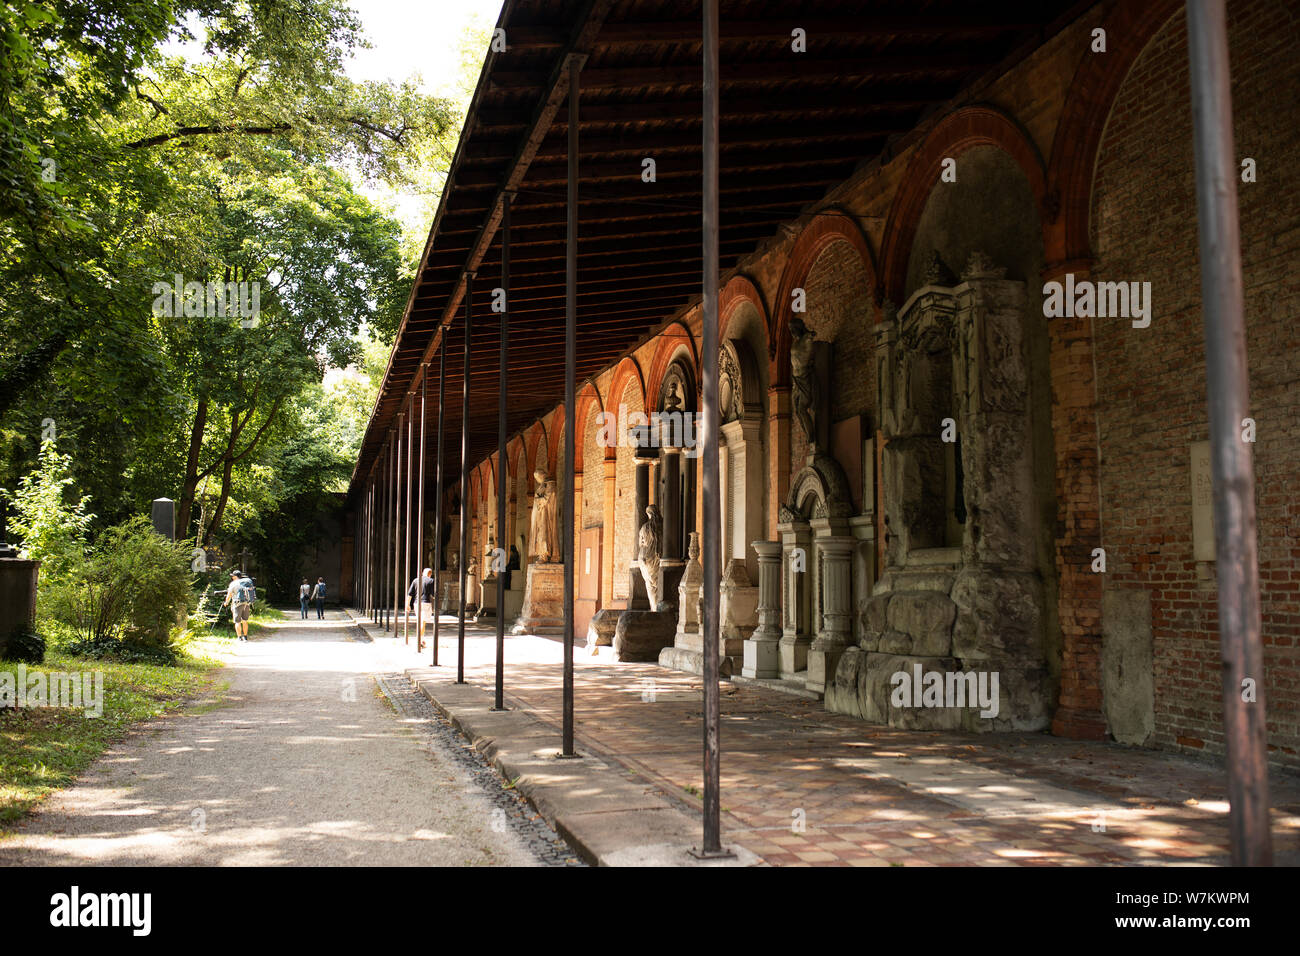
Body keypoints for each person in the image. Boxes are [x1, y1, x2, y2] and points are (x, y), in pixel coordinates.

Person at [221, 570, 253, 642]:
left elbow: (229, 594)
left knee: (237, 621)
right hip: (246, 603)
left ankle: (239, 637)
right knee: (245, 621)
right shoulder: (245, 583)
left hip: (237, 604)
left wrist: (226, 602)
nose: (232, 577)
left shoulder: (233, 583)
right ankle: (245, 637)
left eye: (232, 576)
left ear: (235, 576)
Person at [407, 567, 436, 643]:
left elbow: (409, 594)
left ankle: (421, 639)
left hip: (416, 603)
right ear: (430, 574)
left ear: (423, 573)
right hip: (426, 603)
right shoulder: (431, 581)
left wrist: (407, 604)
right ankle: (419, 640)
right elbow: (433, 595)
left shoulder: (415, 580)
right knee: (423, 622)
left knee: (420, 621)